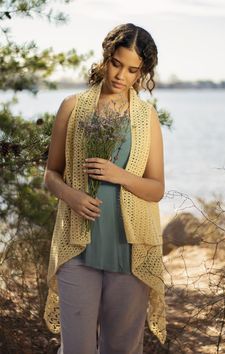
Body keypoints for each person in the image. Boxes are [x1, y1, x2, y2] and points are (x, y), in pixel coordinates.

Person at [43, 23, 166, 354]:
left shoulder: (146, 118)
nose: (120, 76)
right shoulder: (72, 106)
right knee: (76, 349)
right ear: (106, 56)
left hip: (129, 252)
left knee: (123, 349)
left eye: (132, 70)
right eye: (116, 63)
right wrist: (73, 195)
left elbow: (156, 189)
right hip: (77, 250)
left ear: (142, 73)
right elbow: (51, 174)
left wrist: (119, 174)